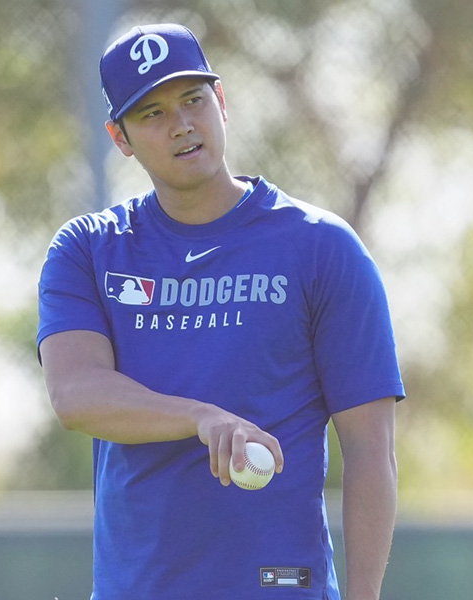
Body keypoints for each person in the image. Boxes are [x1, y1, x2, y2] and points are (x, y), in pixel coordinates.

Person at [37, 22, 405, 600]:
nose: (182, 124)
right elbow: (76, 394)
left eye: (193, 100)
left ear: (222, 102)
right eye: (153, 113)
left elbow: (370, 450)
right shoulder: (88, 250)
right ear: (121, 137)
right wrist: (202, 417)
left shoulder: (321, 248)